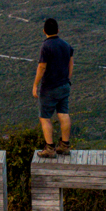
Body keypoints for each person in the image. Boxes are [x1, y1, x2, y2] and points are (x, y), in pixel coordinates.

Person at [32, 17, 74, 157]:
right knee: (63, 114)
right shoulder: (66, 45)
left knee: (45, 117)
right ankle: (65, 146)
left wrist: (35, 84)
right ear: (58, 30)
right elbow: (71, 64)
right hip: (64, 85)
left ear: (44, 31)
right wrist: (67, 79)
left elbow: (42, 66)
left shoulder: (46, 46)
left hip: (49, 87)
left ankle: (50, 149)